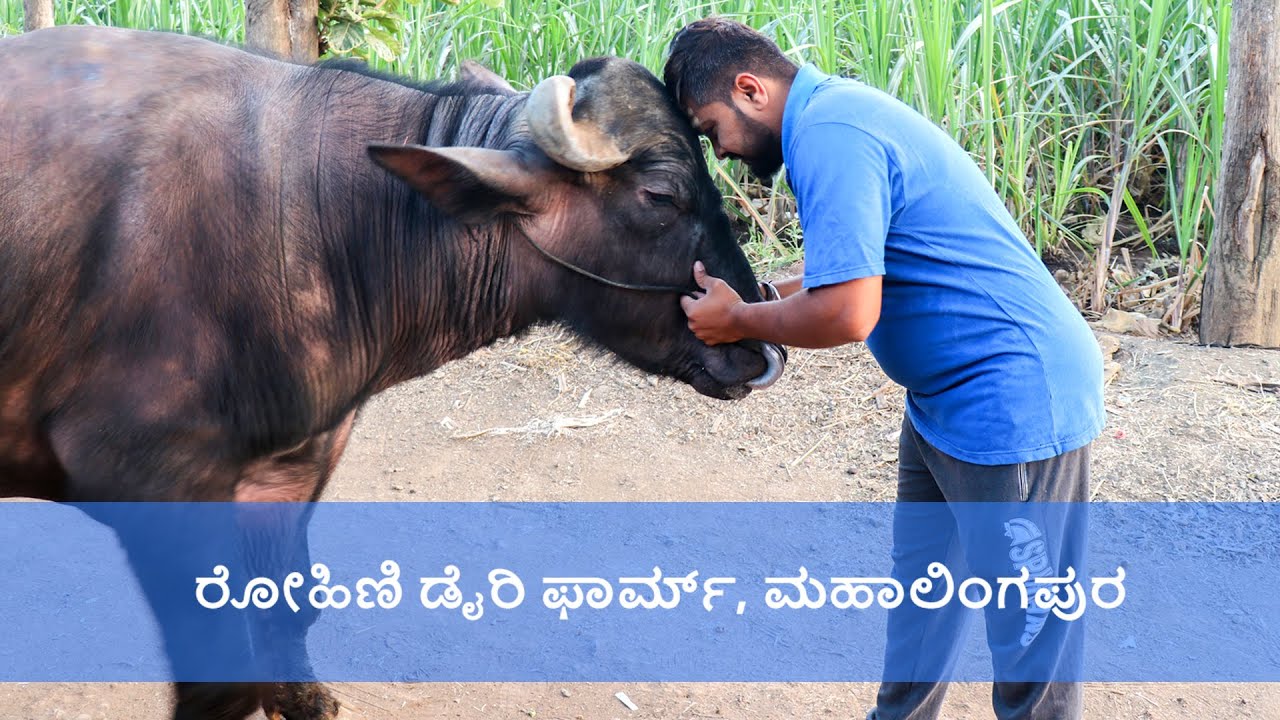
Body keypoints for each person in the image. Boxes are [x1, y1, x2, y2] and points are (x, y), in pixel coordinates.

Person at [664, 17, 1105, 720]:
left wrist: (740, 321)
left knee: (1029, 649)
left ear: (750, 89)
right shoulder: (831, 120)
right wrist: (759, 297)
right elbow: (852, 261)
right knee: (923, 606)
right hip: (943, 404)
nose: (721, 151)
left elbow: (847, 313)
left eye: (713, 129)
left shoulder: (831, 135)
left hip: (1011, 401)